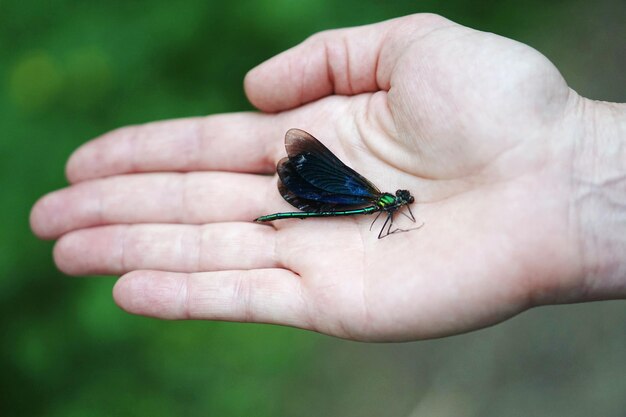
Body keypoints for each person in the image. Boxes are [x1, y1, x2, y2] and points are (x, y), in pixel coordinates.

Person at [30, 14, 625, 341]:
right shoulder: (381, 201)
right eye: (400, 202)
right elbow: (390, 225)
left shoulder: (380, 201)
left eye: (401, 203)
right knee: (308, 204)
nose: (402, 204)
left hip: (337, 197)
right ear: (395, 199)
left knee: (314, 204)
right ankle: (282, 210)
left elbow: (387, 225)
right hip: (332, 196)